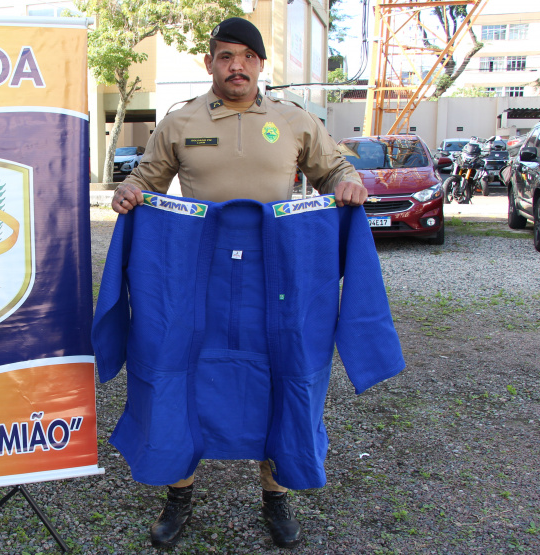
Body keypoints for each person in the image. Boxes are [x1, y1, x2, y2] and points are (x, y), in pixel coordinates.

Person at [110, 17, 369, 550]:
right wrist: (130, 192)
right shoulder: (180, 123)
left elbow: (333, 169)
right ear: (210, 64)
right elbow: (147, 178)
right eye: (225, 57)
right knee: (180, 369)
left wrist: (347, 182)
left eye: (246, 57)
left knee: (283, 372)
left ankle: (275, 497)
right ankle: (178, 496)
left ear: (259, 64)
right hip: (194, 275)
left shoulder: (294, 121)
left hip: (277, 277)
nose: (236, 66)